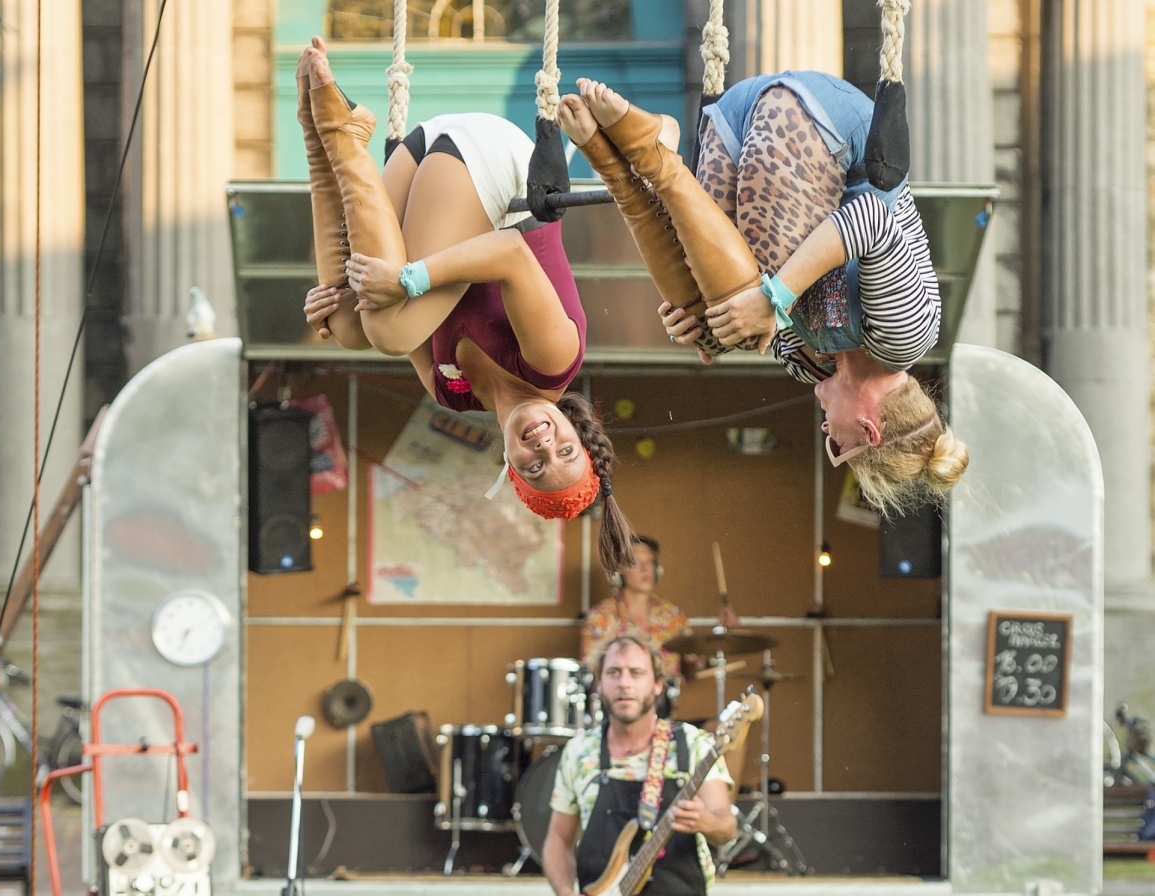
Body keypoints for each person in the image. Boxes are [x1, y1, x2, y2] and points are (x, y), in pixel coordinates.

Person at [294, 38, 635, 576]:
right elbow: (510, 253)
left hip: (426, 157)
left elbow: (372, 303)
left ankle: (322, 141)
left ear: (510, 468)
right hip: (495, 173)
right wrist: (408, 279)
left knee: (352, 328)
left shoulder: (450, 394)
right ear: (577, 435)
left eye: (535, 467)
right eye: (566, 451)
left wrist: (332, 305)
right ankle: (344, 137)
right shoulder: (553, 362)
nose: (544, 447)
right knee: (389, 332)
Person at [556, 73, 969, 516]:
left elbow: (736, 302)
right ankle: (652, 157)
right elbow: (871, 218)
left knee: (719, 330)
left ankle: (623, 167)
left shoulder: (807, 365)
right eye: (839, 445)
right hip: (818, 122)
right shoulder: (905, 338)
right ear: (869, 430)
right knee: (759, 299)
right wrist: (776, 298)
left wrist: (692, 324)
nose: (826, 431)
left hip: (732, 127)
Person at [543, 635, 737, 896]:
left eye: (636, 673)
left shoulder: (694, 744)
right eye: (614, 672)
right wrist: (567, 895)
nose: (624, 683)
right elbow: (557, 839)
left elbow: (727, 827)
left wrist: (708, 822)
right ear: (599, 684)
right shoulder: (579, 751)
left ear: (657, 684)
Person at [581, 535, 738, 680]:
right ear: (618, 572)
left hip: (665, 699)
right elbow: (590, 671)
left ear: (657, 570)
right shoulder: (600, 617)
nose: (645, 568)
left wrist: (723, 634)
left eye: (650, 562)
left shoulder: (672, 615)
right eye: (635, 562)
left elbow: (697, 662)